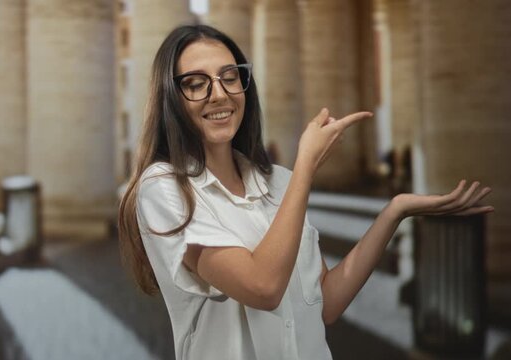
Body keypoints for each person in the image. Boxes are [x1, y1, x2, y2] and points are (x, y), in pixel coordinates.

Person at [118, 25, 494, 360]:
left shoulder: (278, 180)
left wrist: (394, 212)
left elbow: (325, 303)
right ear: (172, 97)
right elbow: (263, 288)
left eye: (230, 77)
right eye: (196, 84)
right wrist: (306, 169)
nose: (219, 94)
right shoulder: (163, 187)